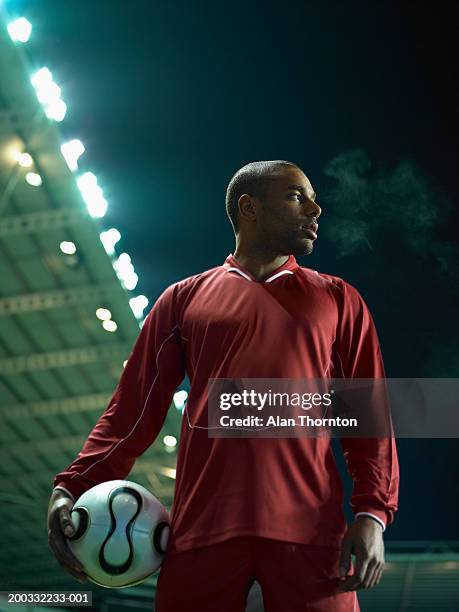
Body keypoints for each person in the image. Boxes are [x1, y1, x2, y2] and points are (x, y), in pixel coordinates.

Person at [48, 160, 399, 611]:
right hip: (201, 531)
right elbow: (132, 412)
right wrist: (73, 486)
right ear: (249, 208)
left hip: (312, 532)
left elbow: (369, 417)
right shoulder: (182, 300)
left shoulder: (339, 299)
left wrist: (372, 513)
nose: (315, 209)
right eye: (296, 196)